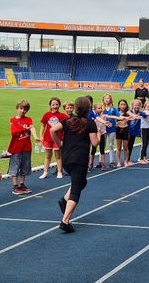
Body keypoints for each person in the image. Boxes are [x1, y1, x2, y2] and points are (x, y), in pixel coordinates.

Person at [51, 97, 98, 233]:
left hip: (66, 158)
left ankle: (65, 199)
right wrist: (99, 133)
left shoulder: (68, 121)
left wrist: (59, 144)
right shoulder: (90, 123)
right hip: (79, 159)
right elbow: (94, 143)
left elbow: (53, 130)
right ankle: (65, 221)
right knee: (77, 189)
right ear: (88, 109)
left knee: (82, 182)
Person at [7, 100, 40, 195]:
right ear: (17, 108)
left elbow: (32, 128)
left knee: (25, 167)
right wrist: (25, 129)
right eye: (21, 108)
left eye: (25, 109)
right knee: (15, 167)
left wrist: (36, 137)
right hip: (16, 148)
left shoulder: (28, 119)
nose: (22, 111)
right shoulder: (13, 120)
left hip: (26, 148)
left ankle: (22, 184)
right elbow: (14, 132)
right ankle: (15, 186)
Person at [39, 97, 69, 179]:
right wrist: (41, 136)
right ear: (50, 106)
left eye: (56, 104)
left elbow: (66, 128)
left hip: (58, 139)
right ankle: (45, 172)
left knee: (58, 156)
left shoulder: (63, 116)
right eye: (53, 105)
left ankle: (59, 171)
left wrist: (63, 139)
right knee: (47, 155)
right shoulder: (46, 115)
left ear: (59, 105)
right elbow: (42, 126)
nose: (55, 106)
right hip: (47, 139)